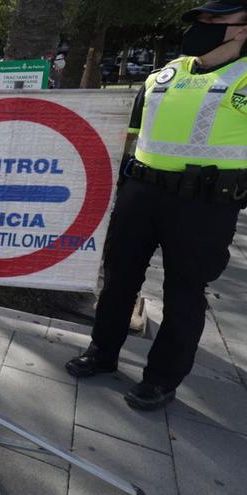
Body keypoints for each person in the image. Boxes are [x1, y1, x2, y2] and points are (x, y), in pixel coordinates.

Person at [65, 1, 247, 411]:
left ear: (241, 30)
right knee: (117, 277)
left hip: (204, 204)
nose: (202, 27)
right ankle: (102, 352)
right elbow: (129, 135)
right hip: (141, 191)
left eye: (215, 21)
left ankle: (162, 379)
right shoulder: (163, 76)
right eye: (201, 19)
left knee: (184, 292)